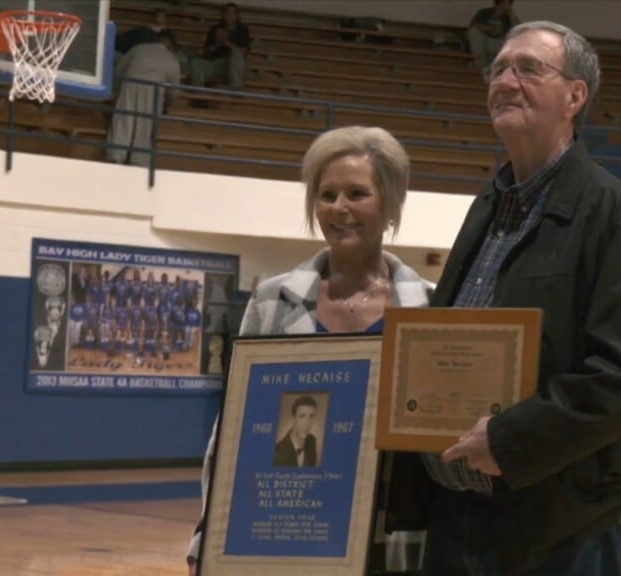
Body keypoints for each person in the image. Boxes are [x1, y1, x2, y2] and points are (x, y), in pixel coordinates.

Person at [382, 21, 621, 575]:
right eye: (498, 69)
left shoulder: (614, 216)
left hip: (566, 528)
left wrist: (512, 440)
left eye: (528, 69)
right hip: (458, 517)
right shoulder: (486, 210)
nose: (506, 81)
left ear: (575, 96)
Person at [185, 125, 434, 575]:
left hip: (397, 539)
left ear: (391, 204)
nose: (339, 209)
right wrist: (208, 535)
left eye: (357, 193)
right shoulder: (272, 301)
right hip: (291, 531)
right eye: (327, 195)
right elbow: (234, 433)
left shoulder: (431, 306)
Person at [107, 30, 181, 167]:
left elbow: (119, 70)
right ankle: (139, 161)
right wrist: (168, 106)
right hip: (155, 88)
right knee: (146, 125)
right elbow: (174, 92)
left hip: (131, 82)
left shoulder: (138, 49)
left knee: (124, 119)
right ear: (171, 46)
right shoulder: (172, 59)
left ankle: (116, 155)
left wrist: (117, 91)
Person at [189, 2, 251, 92]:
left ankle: (236, 87)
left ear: (237, 15)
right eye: (227, 13)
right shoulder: (216, 28)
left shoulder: (242, 29)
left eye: (233, 13)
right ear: (223, 14)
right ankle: (197, 94)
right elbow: (206, 52)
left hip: (234, 66)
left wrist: (225, 42)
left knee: (236, 54)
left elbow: (243, 52)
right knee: (196, 63)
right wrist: (216, 43)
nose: (230, 16)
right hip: (217, 64)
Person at [466, 0, 520, 83]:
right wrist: (488, 28)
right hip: (484, 41)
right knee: (473, 32)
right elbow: (472, 25)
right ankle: (481, 64)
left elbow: (519, 29)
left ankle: (490, 67)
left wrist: (510, 12)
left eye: (508, 4)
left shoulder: (509, 17)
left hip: (497, 43)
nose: (505, 6)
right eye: (503, 3)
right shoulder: (485, 12)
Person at [272, 395, 319, 467]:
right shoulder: (277, 452)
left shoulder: (312, 441)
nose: (307, 422)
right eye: (302, 416)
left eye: (311, 416)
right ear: (293, 419)